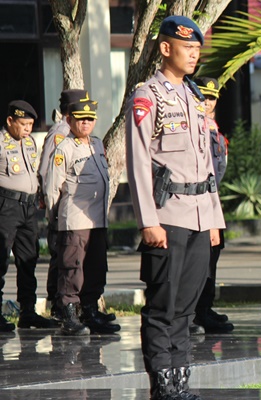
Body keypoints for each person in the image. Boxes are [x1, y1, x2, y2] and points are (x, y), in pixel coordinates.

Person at [125, 16, 226, 400]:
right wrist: (148, 221)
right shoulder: (147, 96)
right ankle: (162, 385)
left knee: (187, 306)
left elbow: (207, 166)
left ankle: (181, 382)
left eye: (198, 50)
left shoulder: (195, 97)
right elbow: (137, 164)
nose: (194, 56)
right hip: (167, 217)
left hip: (200, 216)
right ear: (166, 49)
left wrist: (214, 219)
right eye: (188, 49)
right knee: (163, 305)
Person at [38, 89, 116, 324]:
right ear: (69, 120)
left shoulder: (97, 145)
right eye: (81, 118)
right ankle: (68, 312)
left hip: (97, 221)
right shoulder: (64, 147)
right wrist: (55, 219)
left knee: (96, 267)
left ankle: (90, 310)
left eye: (90, 119)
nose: (86, 123)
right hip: (74, 221)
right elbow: (52, 187)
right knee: (72, 268)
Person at [0, 101, 57, 331]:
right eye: (23, 124)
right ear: (10, 121)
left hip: (29, 208)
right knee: (1, 258)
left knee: (28, 259)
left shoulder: (31, 142)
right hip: (6, 206)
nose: (28, 129)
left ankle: (28, 312)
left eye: (31, 124)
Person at [190, 76, 234, 334]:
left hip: (212, 200)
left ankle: (204, 309)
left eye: (211, 98)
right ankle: (193, 312)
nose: (207, 102)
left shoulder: (213, 127)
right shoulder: (191, 126)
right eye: (202, 97)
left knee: (211, 257)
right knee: (197, 260)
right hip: (194, 200)